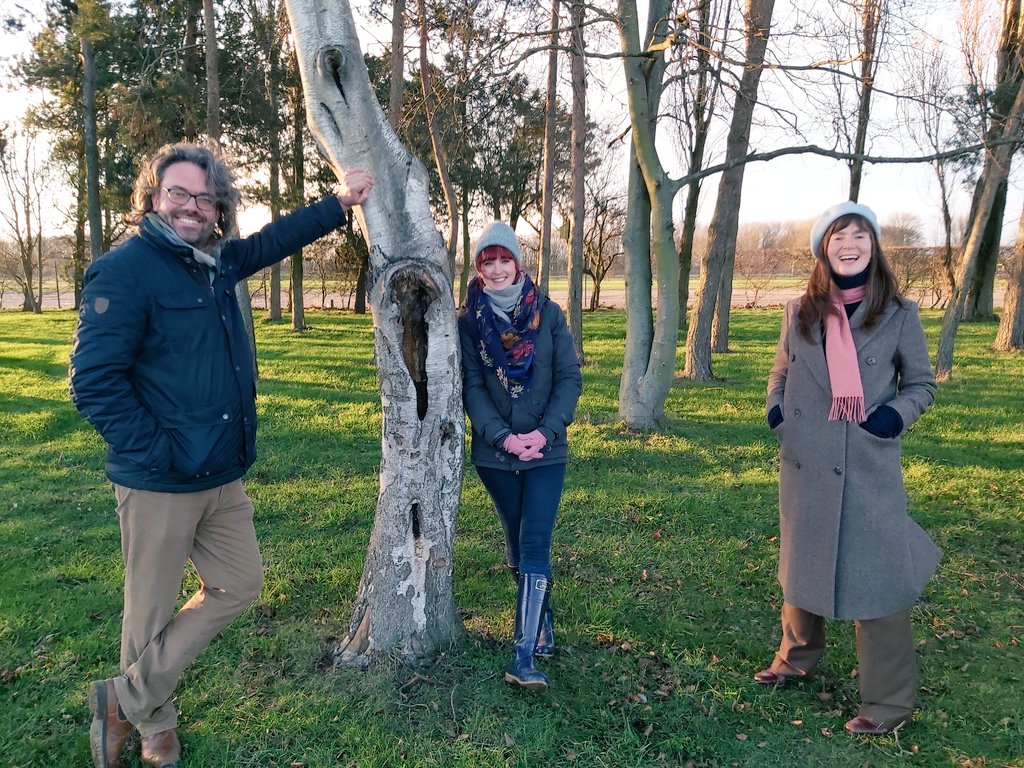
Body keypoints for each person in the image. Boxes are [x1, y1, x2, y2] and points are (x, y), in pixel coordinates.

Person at [70, 141, 373, 768]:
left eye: (205, 198)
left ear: (218, 210)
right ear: (152, 197)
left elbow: (272, 241)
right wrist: (160, 452)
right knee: (147, 615)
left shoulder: (215, 263)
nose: (191, 206)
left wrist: (337, 204)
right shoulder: (125, 270)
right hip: (159, 479)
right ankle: (154, 726)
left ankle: (121, 701)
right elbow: (94, 381)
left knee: (240, 583)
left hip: (221, 472)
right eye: (178, 193)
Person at [755, 201, 941, 735]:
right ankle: (795, 658)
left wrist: (891, 417)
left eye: (860, 234)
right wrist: (777, 411)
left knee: (878, 576)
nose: (849, 243)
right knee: (803, 560)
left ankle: (888, 703)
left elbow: (923, 385)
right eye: (839, 236)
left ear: (874, 246)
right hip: (806, 455)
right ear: (824, 249)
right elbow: (781, 369)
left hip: (866, 459)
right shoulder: (800, 311)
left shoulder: (901, 314)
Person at [458, 221, 582, 692]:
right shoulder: (467, 321)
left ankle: (523, 655)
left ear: (518, 263)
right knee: (515, 542)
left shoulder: (548, 314)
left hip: (547, 453)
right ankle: (543, 623)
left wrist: (546, 434)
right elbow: (471, 385)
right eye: (487, 261)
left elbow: (568, 377)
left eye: (503, 259)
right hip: (497, 456)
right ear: (478, 268)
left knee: (535, 542)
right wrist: (504, 438)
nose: (495, 269)